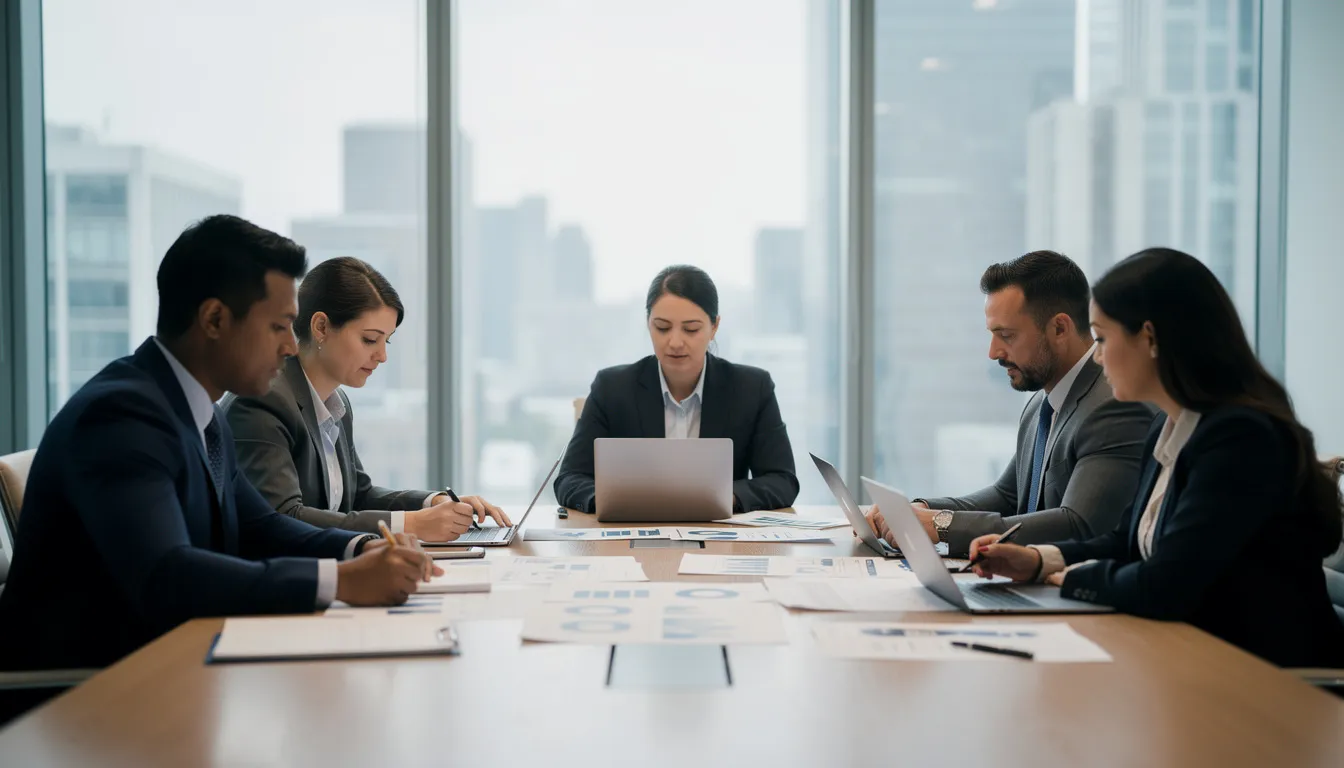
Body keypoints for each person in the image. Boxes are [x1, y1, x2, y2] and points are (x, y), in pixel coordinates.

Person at [0, 215, 438, 672]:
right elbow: (168, 575)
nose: (292, 347)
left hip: (170, 665)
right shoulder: (120, 416)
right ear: (214, 319)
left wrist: (360, 548)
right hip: (86, 695)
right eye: (279, 327)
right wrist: (339, 581)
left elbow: (261, 526)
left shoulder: (199, 411)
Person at [968, 248, 1344, 668]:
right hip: (1193, 659)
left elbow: (1166, 582)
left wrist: (1071, 577)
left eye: (1103, 338)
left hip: (1266, 679)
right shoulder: (1167, 428)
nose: (1095, 354)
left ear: (1149, 339)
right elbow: (1125, 542)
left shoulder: (1239, 439)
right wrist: (1039, 561)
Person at [866, 250, 1154, 557]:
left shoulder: (1113, 405)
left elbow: (1079, 525)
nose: (993, 352)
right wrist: (921, 510)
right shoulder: (1041, 405)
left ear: (1059, 329)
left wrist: (942, 524)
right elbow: (1006, 495)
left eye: (1007, 335)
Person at [223, 256, 507, 541]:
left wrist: (432, 502)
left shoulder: (336, 403)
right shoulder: (262, 400)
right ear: (321, 327)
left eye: (387, 341)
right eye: (370, 340)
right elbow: (283, 518)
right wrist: (411, 524)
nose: (382, 356)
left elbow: (358, 496)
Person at [555, 265, 799, 513]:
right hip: (633, 533)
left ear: (714, 327)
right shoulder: (612, 388)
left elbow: (783, 481)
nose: (675, 342)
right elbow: (569, 479)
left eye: (691, 329)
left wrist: (727, 497)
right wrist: (613, 500)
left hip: (719, 538)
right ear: (648, 323)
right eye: (662, 327)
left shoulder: (752, 388)